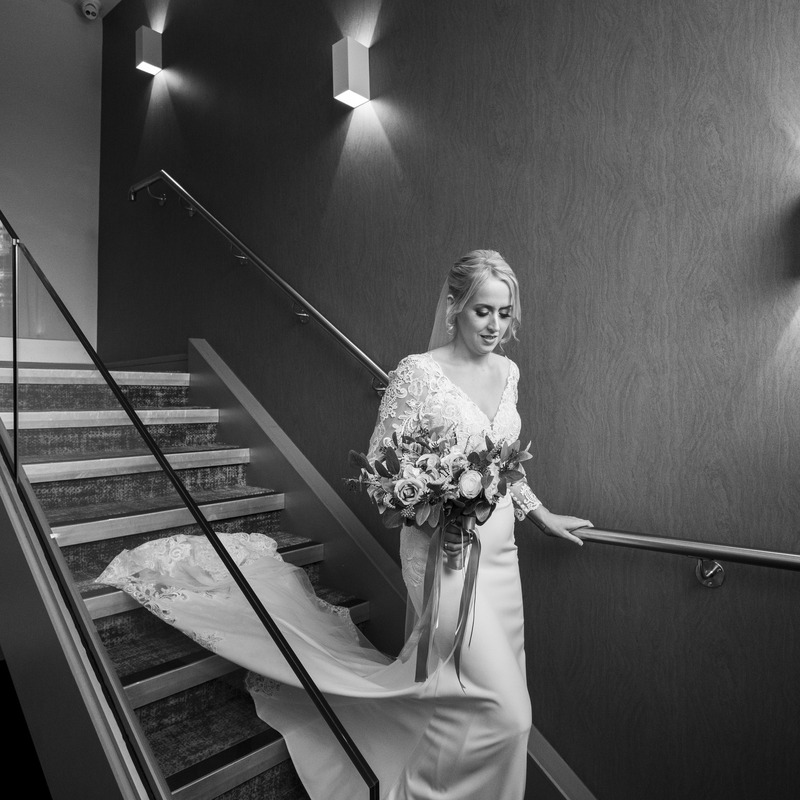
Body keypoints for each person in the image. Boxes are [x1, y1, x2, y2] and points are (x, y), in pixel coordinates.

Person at [97, 249, 592, 799]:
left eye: (504, 312)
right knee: (509, 714)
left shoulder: (508, 372)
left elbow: (503, 461)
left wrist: (538, 513)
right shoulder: (419, 373)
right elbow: (381, 470)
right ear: (454, 306)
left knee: (471, 698)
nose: (495, 325)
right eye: (483, 311)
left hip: (501, 554)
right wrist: (438, 503)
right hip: (445, 555)